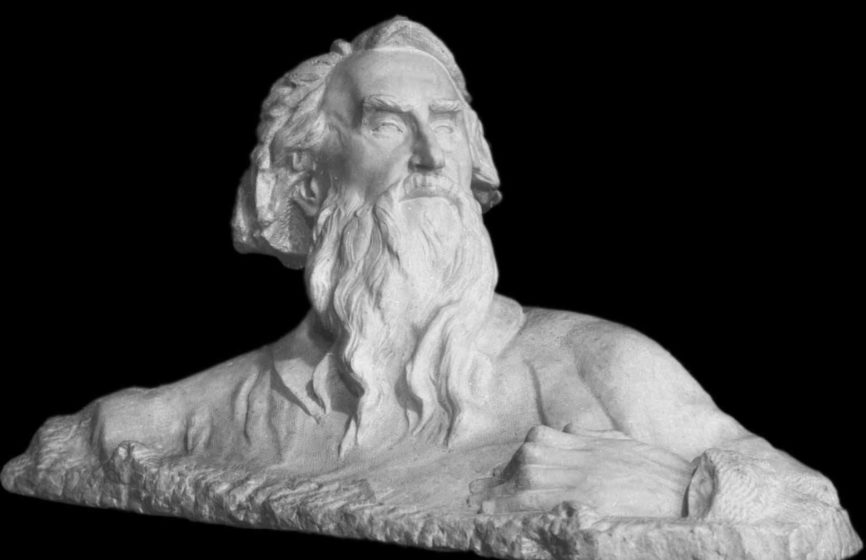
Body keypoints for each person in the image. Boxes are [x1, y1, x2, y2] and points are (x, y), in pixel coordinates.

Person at [4, 18, 858, 549]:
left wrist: (680, 490)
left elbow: (804, 503)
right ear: (308, 180)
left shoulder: (595, 364)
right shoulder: (203, 411)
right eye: (385, 123)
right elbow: (86, 439)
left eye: (446, 124)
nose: (429, 157)